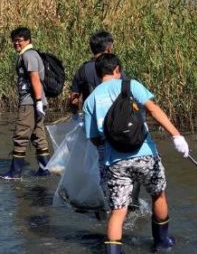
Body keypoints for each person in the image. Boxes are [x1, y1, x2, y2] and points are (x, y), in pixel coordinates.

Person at [83, 53, 190, 253]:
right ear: (118, 70)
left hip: (114, 163)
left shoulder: (90, 100)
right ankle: (162, 242)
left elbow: (94, 138)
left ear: (98, 74)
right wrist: (177, 136)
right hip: (145, 154)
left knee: (118, 211)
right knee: (158, 195)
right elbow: (153, 110)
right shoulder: (131, 85)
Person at [68, 31, 135, 209]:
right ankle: (124, 200)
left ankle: (103, 198)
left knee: (98, 164)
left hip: (93, 125)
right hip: (118, 123)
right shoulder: (114, 68)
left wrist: (75, 116)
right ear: (108, 47)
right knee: (123, 161)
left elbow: (74, 98)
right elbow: (127, 92)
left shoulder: (83, 69)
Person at [0, 27, 51, 179]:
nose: (16, 43)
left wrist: (39, 101)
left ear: (27, 40)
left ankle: (15, 172)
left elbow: (35, 78)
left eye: (19, 40)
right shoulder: (27, 55)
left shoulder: (29, 55)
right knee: (38, 135)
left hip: (30, 102)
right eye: (14, 40)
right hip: (33, 102)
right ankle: (44, 170)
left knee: (21, 135)